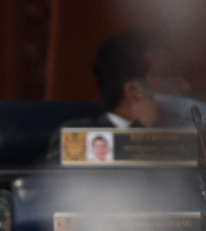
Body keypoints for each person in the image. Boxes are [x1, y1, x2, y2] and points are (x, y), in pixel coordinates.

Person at [48, 30, 181, 161]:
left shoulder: (183, 137)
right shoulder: (76, 136)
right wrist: (139, 130)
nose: (183, 86)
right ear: (134, 92)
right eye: (167, 77)